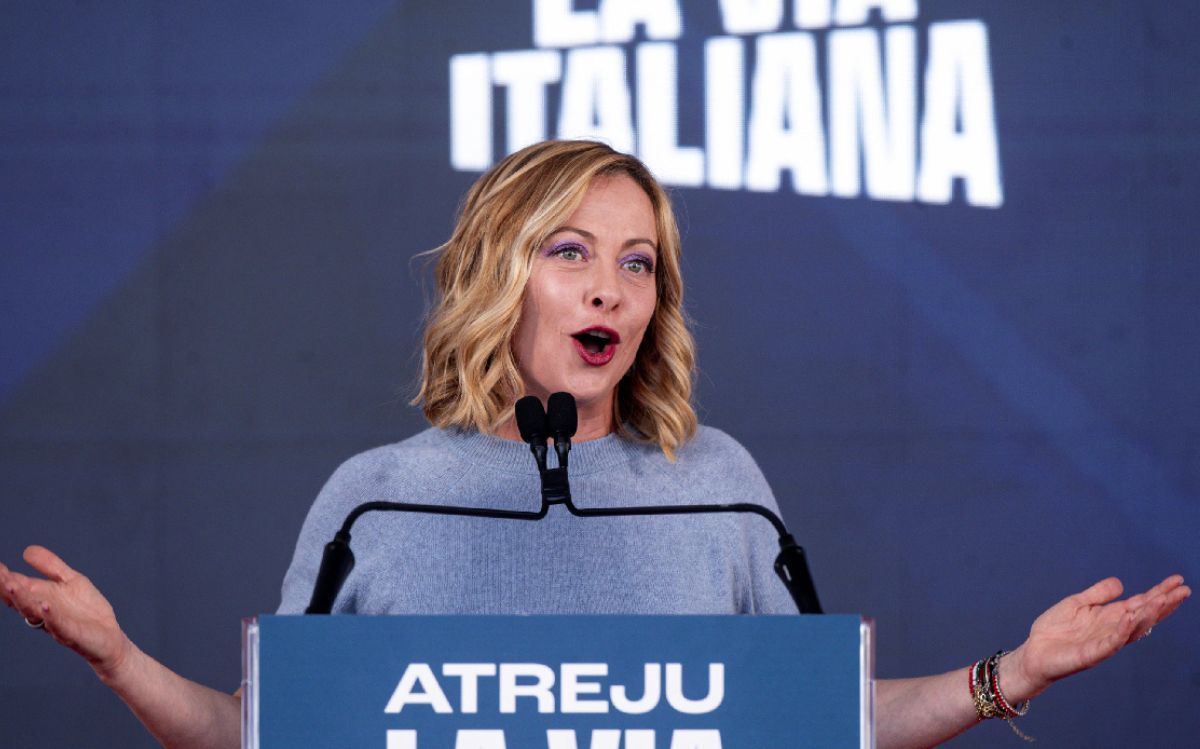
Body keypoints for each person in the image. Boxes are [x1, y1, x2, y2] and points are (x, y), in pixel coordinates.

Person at [0, 140, 1189, 749]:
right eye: (568, 252)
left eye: (636, 261)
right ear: (496, 273)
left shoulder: (722, 485)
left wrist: (1010, 674)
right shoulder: (373, 499)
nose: (609, 286)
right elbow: (265, 733)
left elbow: (825, 721)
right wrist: (119, 658)